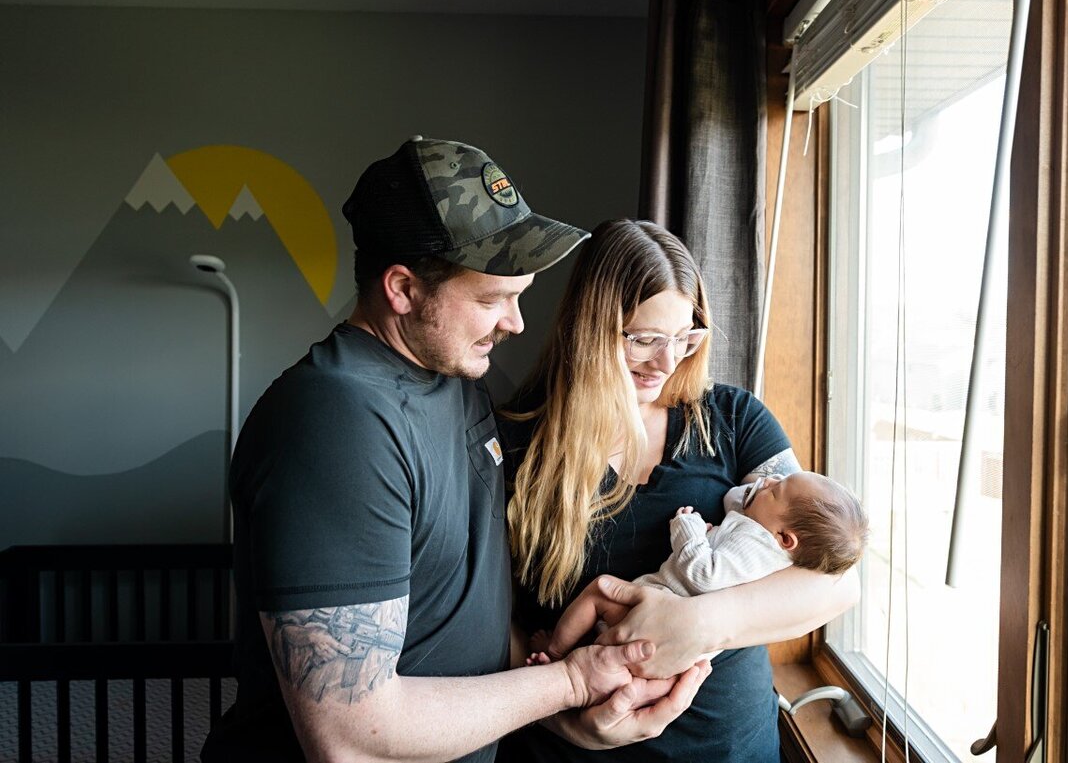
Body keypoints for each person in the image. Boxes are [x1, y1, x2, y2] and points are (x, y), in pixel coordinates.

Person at [201, 140, 710, 763]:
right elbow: (350, 737)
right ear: (403, 289)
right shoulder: (336, 420)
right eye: (492, 299)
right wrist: (569, 683)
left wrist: (573, 702)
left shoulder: (459, 382)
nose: (516, 323)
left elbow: (462, 609)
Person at [499, 218, 861, 762]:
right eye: (644, 339)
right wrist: (568, 725)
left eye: (684, 338)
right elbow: (484, 623)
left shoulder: (734, 420)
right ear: (589, 329)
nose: (667, 363)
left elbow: (835, 583)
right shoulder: (513, 440)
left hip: (732, 749)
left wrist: (698, 625)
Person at [530, 471, 868, 664]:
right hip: (673, 646)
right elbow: (734, 503)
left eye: (776, 489)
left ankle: (555, 652)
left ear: (785, 538)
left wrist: (688, 528)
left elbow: (706, 576)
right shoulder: (769, 539)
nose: (767, 481)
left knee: (599, 590)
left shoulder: (757, 546)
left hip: (657, 609)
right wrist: (760, 496)